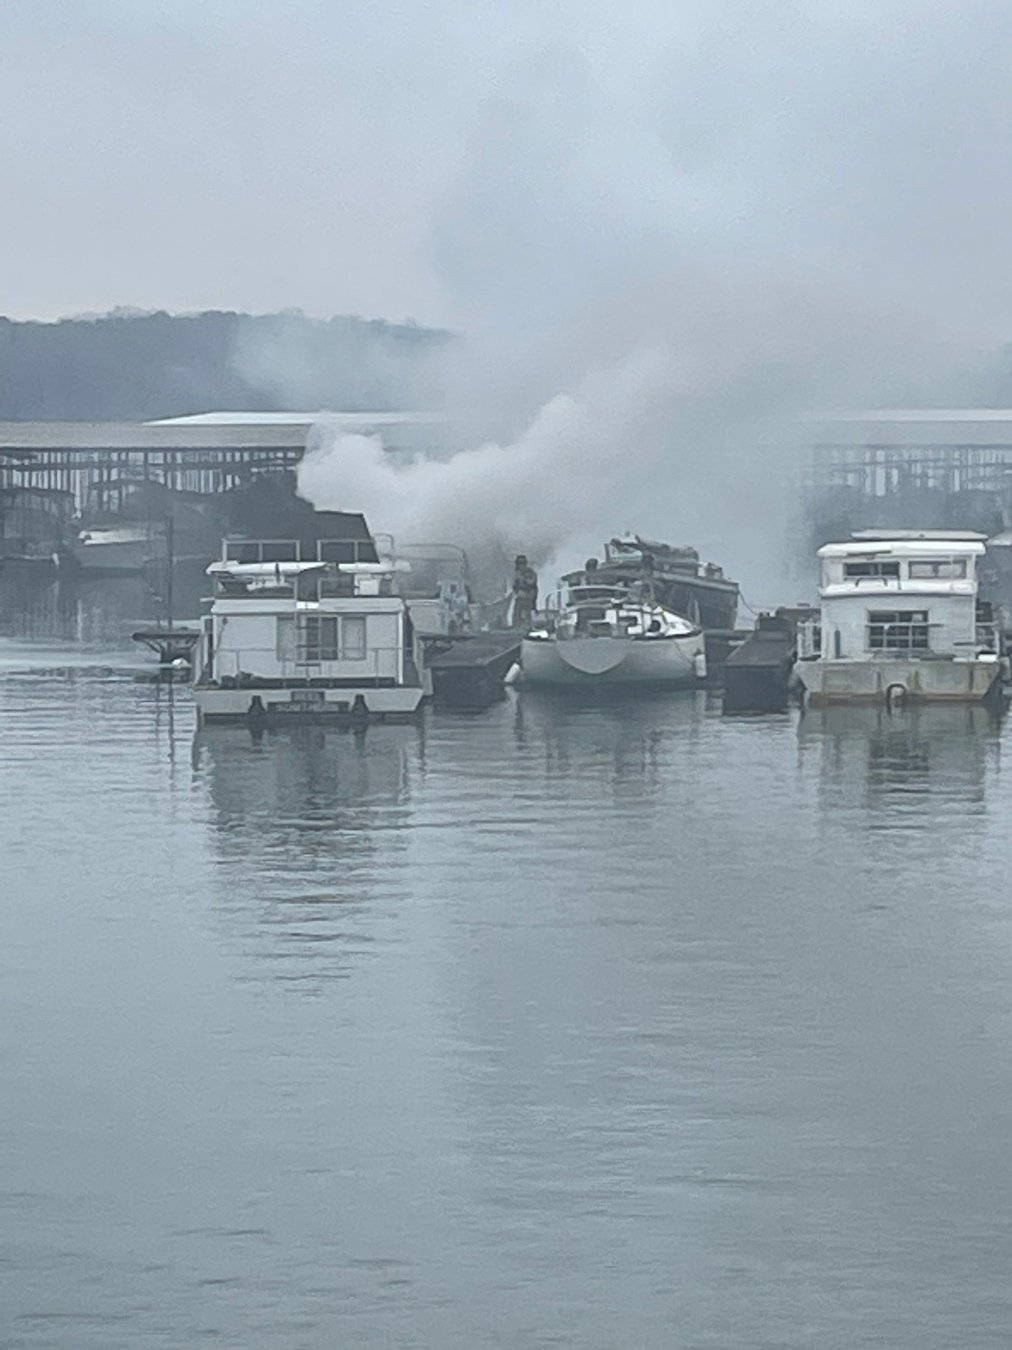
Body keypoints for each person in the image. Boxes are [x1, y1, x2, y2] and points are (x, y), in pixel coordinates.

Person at [511, 554, 539, 631]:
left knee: (527, 615)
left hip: (528, 598)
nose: (520, 566)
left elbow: (532, 585)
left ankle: (527, 628)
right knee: (516, 615)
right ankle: (517, 628)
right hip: (520, 597)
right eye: (519, 564)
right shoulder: (517, 573)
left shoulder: (530, 573)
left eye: (521, 564)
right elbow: (514, 586)